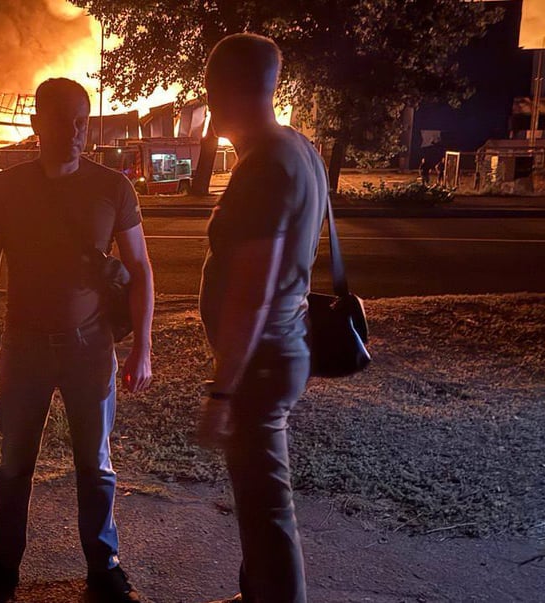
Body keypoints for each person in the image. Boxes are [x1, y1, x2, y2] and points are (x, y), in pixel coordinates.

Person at [0, 77, 155, 603]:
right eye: (61, 120)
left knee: (95, 463)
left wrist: (143, 348)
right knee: (13, 464)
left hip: (89, 348)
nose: (73, 132)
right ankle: (1, 568)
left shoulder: (114, 187)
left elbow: (139, 267)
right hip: (21, 348)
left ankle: (104, 566)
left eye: (81, 121)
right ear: (35, 124)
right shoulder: (2, 188)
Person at [196, 33, 327, 603]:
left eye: (210, 92)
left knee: (267, 507)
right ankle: (258, 595)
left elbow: (251, 289)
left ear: (225, 91)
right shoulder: (297, 147)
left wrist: (222, 392)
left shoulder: (265, 165)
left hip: (261, 361)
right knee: (258, 501)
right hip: (283, 345)